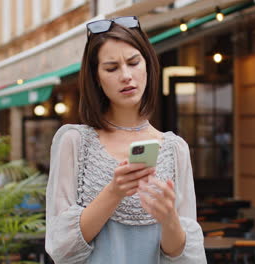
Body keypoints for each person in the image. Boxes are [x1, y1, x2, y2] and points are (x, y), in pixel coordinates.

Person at [45, 16, 206, 264]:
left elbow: (183, 257)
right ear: (96, 77)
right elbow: (61, 248)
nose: (126, 76)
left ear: (148, 66)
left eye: (133, 62)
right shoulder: (75, 142)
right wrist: (114, 191)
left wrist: (168, 218)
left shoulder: (175, 149)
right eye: (111, 68)